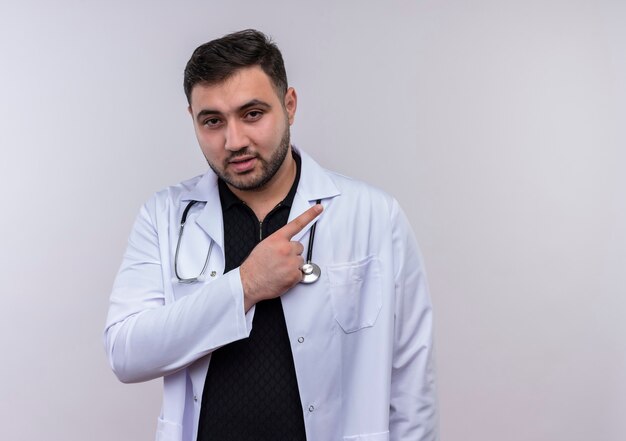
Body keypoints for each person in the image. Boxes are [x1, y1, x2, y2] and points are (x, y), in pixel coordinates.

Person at [104, 29, 438, 441]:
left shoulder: (372, 214)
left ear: (289, 105)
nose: (234, 141)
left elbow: (410, 379)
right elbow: (126, 353)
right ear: (192, 119)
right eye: (213, 121)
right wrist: (244, 285)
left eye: (252, 114)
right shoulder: (165, 215)